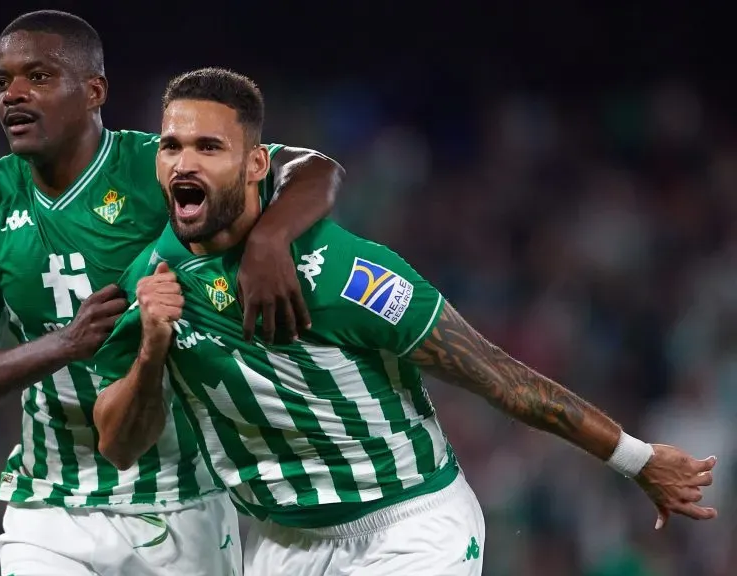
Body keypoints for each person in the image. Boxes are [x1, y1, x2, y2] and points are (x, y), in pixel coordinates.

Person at [91, 67, 719, 576]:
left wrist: (637, 460)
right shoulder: (154, 275)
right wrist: (151, 352)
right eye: (170, 146)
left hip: (408, 529)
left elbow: (500, 379)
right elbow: (117, 442)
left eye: (209, 147)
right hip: (277, 543)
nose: (183, 163)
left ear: (257, 165)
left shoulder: (344, 272)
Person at [0, 10, 345, 576]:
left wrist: (270, 238)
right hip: (50, 508)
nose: (14, 95)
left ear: (95, 90)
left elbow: (315, 168)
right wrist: (65, 343)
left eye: (40, 77)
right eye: (2, 82)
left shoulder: (162, 167)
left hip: (186, 499)